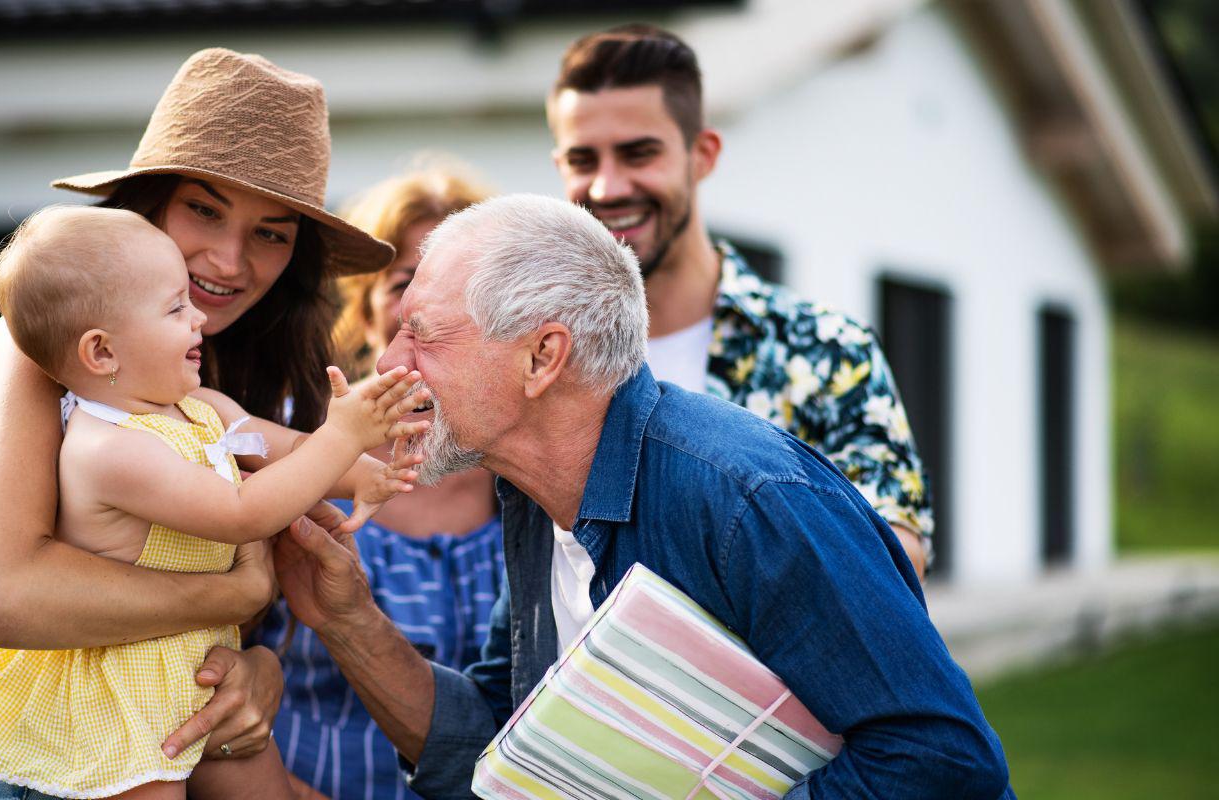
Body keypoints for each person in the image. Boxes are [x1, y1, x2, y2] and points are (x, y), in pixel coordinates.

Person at [274, 194, 1015, 798]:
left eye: (423, 336)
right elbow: (502, 741)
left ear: (542, 357)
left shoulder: (743, 501)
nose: (390, 364)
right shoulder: (533, 496)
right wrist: (347, 621)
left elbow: (943, 762)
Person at [0, 49, 394, 798]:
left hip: (170, 732)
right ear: (146, 205)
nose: (227, 260)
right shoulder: (40, 354)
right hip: (45, 761)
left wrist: (259, 668)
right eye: (203, 210)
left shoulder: (215, 371)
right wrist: (232, 598)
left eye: (271, 234)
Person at [546, 25, 932, 577]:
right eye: (584, 160)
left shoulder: (826, 352)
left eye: (638, 153)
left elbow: (894, 561)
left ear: (702, 155)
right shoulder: (540, 359)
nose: (607, 188)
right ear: (561, 167)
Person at [252, 164, 503, 800]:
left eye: (462, 286)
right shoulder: (287, 450)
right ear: (366, 312)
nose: (428, 306)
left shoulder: (526, 480)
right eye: (404, 284)